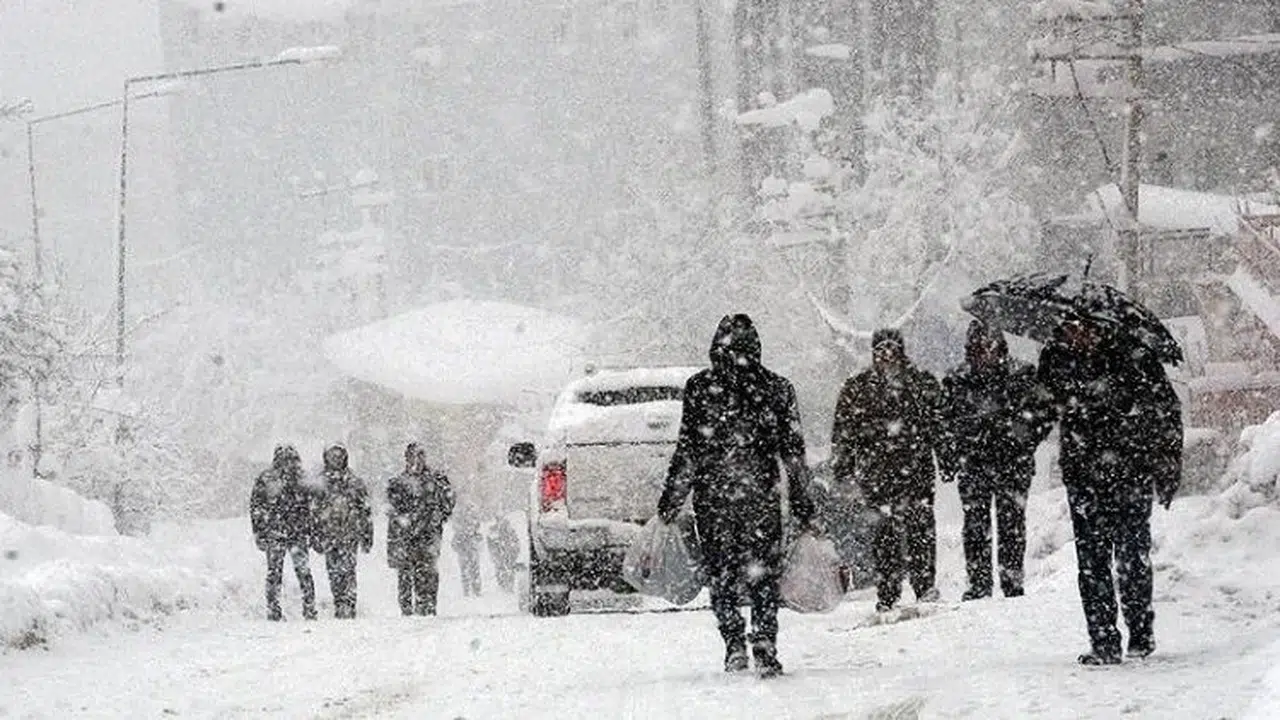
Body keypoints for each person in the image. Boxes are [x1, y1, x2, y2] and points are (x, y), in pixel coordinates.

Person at [657, 313, 815, 679]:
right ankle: (764, 643)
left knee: (722, 575)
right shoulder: (777, 388)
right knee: (763, 577)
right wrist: (803, 505)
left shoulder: (700, 388)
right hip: (761, 497)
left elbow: (688, 451)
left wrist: (670, 501)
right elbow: (793, 455)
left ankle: (733, 643)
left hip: (715, 499)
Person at [1038, 317, 1182, 665]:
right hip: (1084, 475)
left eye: (1084, 327)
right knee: (1092, 562)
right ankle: (1103, 640)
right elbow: (1040, 409)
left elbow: (1165, 411)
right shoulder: (1057, 359)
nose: (1078, 335)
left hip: (1130, 472)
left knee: (1132, 556)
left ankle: (1140, 632)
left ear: (1100, 327)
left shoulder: (1132, 355)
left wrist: (1167, 467)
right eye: (1070, 328)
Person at [939, 320, 1054, 601]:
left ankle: (1012, 581)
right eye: (978, 348)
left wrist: (1026, 437)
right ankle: (979, 583)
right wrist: (951, 455)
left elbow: (1046, 412)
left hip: (1012, 462)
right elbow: (942, 422)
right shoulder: (956, 381)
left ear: (1000, 347)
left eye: (989, 346)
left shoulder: (1023, 375)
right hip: (974, 462)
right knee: (975, 524)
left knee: (1012, 523)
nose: (984, 353)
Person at [831, 328, 943, 613]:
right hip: (877, 472)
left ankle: (924, 585)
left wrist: (947, 459)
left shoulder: (921, 383)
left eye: (892, 348)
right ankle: (888, 592)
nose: (887, 354)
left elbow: (939, 425)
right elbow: (844, 432)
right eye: (881, 349)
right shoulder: (858, 388)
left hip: (915, 469)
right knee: (884, 536)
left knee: (920, 530)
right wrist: (843, 469)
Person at [387, 443, 456, 616]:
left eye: (420, 457)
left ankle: (427, 606)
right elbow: (392, 508)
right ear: (406, 459)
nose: (416, 461)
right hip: (405, 535)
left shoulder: (436, 480)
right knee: (405, 572)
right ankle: (407, 608)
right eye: (412, 457)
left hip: (428, 534)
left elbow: (449, 500)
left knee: (427, 571)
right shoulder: (398, 483)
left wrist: (439, 516)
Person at [249, 444, 317, 621]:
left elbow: (312, 508)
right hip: (283, 532)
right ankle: (291, 609)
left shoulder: (278, 478)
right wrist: (259, 532)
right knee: (285, 573)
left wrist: (311, 529)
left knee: (288, 573)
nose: (287, 463)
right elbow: (256, 507)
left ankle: (300, 608)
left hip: (288, 532)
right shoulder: (271, 479)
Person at [312, 444, 373, 619]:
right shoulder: (320, 482)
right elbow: (313, 511)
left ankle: (349, 604)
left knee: (349, 570)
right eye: (333, 456)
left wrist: (367, 535)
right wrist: (315, 534)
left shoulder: (354, 481)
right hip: (329, 535)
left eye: (339, 456)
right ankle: (339, 602)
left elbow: (365, 510)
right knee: (333, 572)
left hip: (349, 535)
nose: (336, 460)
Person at [451, 502, 483, 597]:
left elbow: (454, 543)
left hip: (467, 551)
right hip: (467, 550)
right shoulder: (466, 529)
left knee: (469, 570)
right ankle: (473, 589)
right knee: (472, 570)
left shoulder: (462, 529)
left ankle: (471, 589)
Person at [487, 514, 520, 593]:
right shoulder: (495, 529)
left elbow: (515, 541)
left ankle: (507, 586)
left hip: (506, 552)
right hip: (503, 552)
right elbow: (490, 542)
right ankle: (506, 585)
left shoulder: (507, 530)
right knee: (505, 569)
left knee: (505, 569)